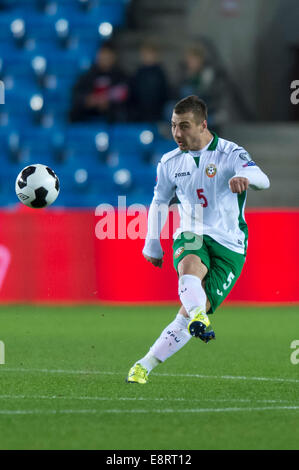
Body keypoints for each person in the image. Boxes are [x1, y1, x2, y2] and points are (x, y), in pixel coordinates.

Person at [126, 95, 270, 384]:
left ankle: (144, 365)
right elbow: (159, 201)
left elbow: (262, 178)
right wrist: (151, 243)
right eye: (174, 125)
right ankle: (196, 317)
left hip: (231, 244)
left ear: (203, 125)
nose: (177, 133)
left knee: (190, 313)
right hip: (191, 232)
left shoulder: (230, 153)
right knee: (189, 264)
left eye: (185, 126)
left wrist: (247, 179)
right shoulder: (169, 162)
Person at [69, 42, 129, 123]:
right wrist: (88, 100)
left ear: (114, 56)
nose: (105, 58)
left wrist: (109, 103)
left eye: (108, 55)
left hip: (112, 115)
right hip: (88, 113)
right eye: (103, 54)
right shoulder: (88, 76)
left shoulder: (121, 76)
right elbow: (76, 94)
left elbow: (126, 96)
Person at [129, 41, 170, 122]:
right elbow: (133, 92)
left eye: (150, 54)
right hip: (140, 112)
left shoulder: (160, 73)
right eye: (145, 54)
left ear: (155, 55)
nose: (148, 57)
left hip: (157, 112)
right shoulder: (138, 73)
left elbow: (164, 92)